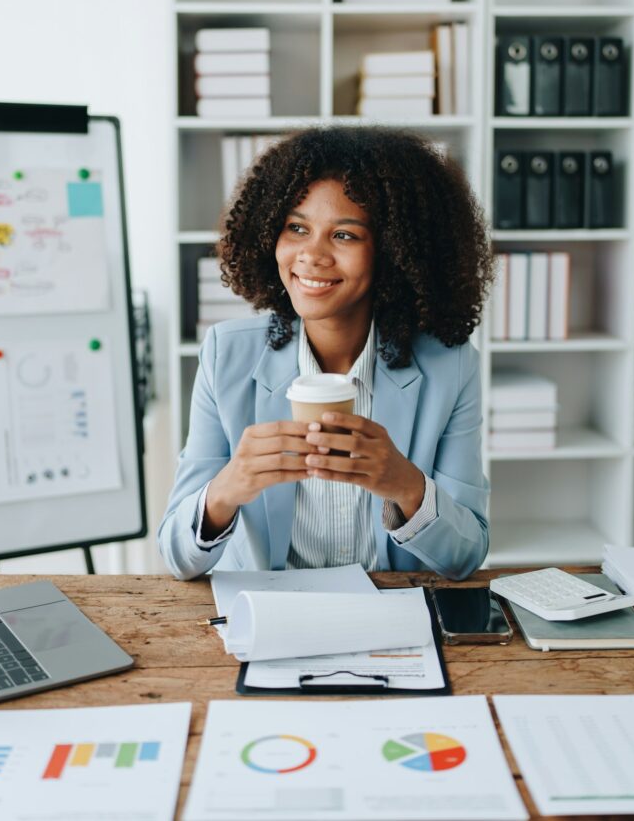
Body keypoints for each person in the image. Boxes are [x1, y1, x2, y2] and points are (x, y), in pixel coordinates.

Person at [159, 126, 494, 580]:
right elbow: (177, 558)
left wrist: (405, 484)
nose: (311, 255)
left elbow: (465, 557)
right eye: (297, 228)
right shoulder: (227, 355)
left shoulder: (450, 367)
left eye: (345, 236)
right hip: (270, 615)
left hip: (392, 617)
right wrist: (226, 489)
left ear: (395, 253)